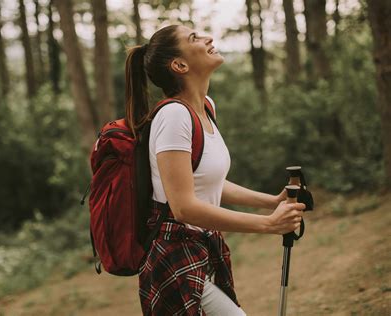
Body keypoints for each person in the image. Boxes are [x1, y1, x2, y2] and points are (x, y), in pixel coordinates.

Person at [124, 24, 305, 316]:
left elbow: (207, 181)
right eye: (194, 38)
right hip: (175, 255)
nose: (208, 37)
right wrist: (268, 224)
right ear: (179, 65)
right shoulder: (173, 116)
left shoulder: (206, 107)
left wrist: (271, 201)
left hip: (202, 248)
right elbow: (184, 207)